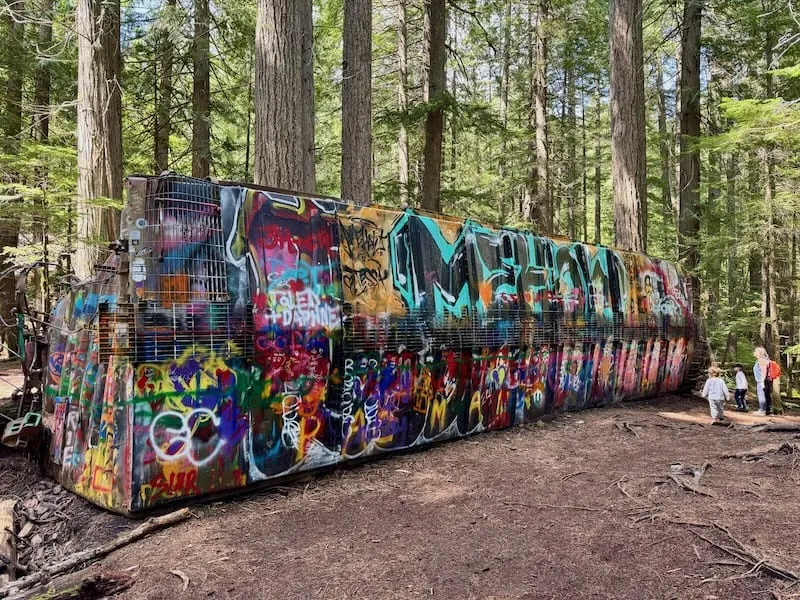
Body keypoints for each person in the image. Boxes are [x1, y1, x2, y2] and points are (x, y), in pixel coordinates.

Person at [754, 347, 771, 416]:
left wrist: (762, 381)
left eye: (756, 351)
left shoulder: (761, 360)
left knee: (761, 395)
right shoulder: (765, 360)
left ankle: (762, 410)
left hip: (762, 380)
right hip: (766, 380)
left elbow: (764, 371)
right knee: (766, 395)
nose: (754, 353)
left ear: (759, 353)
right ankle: (767, 410)